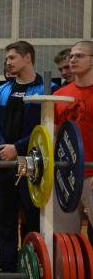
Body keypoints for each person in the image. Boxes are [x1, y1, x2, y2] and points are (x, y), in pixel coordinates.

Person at [0, 41, 56, 274]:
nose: (7, 62)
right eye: (6, 58)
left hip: (33, 163)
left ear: (28, 58)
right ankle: (7, 267)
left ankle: (35, 268)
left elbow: (46, 127)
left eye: (12, 57)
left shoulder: (47, 88)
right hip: (4, 162)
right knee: (3, 216)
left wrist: (17, 148)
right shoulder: (1, 90)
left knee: (34, 216)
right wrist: (3, 148)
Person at [54, 41, 93, 235]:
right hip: (64, 175)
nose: (73, 60)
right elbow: (54, 136)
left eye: (79, 56)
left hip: (91, 174)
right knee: (64, 239)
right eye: (71, 56)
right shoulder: (59, 95)